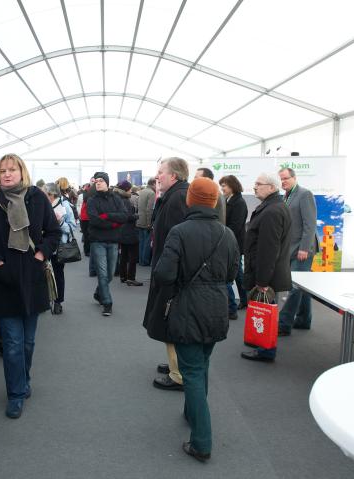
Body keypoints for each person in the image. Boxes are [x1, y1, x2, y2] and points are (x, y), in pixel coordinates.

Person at [151, 177, 239, 463]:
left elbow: (164, 274)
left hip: (187, 308)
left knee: (191, 372)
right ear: (214, 201)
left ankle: (202, 441)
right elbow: (231, 274)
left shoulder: (179, 232)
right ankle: (192, 413)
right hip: (216, 308)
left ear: (191, 199)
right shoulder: (227, 234)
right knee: (201, 366)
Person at [0, 154, 60, 419]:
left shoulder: (37, 198)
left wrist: (40, 256)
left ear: (22, 172)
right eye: (3, 170)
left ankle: (23, 379)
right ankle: (16, 393)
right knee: (12, 342)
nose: (7, 174)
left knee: (28, 342)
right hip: (4, 280)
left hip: (32, 277)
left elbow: (53, 232)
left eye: (12, 169)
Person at [144, 157, 190, 392]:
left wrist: (167, 274)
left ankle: (179, 373)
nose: (157, 175)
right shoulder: (174, 196)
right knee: (166, 320)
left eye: (160, 171)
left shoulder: (177, 199)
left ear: (173, 176)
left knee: (169, 319)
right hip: (166, 270)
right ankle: (176, 365)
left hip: (170, 274)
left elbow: (177, 243)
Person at [240, 173, 292, 362]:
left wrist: (262, 281)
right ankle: (263, 347)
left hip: (267, 275)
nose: (254, 187)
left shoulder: (272, 211)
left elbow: (268, 250)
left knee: (265, 314)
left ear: (272, 187)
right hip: (269, 273)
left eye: (258, 184)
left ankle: (265, 350)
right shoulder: (274, 208)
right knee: (265, 313)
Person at [277, 167, 317, 336]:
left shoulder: (304, 194)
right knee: (302, 286)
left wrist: (304, 248)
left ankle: (284, 323)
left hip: (302, 249)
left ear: (294, 178)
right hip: (291, 248)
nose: (283, 182)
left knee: (294, 287)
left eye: (286, 178)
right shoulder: (286, 196)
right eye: (281, 179)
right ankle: (303, 320)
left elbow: (310, 224)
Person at [87, 172, 130, 316]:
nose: (98, 183)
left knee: (110, 274)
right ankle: (107, 303)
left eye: (101, 181)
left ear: (106, 182)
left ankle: (99, 293)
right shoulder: (92, 200)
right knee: (103, 273)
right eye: (96, 181)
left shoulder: (116, 199)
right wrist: (113, 224)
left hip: (113, 241)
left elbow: (124, 216)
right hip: (97, 241)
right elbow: (93, 220)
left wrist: (107, 216)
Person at [45, 182, 77, 315]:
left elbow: (72, 226)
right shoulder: (42, 205)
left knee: (58, 275)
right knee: (43, 274)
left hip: (59, 247)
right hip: (44, 245)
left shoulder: (65, 205)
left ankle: (58, 302)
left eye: (44, 193)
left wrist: (60, 222)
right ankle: (45, 300)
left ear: (51, 195)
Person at [219, 175, 248, 318]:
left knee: (236, 274)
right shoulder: (227, 200)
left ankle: (238, 303)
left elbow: (235, 226)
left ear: (232, 186)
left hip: (234, 243)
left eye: (224, 185)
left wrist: (223, 237)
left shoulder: (239, 203)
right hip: (231, 242)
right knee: (237, 273)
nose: (222, 188)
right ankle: (243, 300)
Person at [113, 180, 142, 286]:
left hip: (121, 231)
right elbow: (128, 216)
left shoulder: (116, 198)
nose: (131, 190)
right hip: (129, 231)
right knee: (133, 256)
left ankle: (123, 276)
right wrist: (136, 216)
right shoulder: (125, 200)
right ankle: (131, 278)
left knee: (123, 255)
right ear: (126, 189)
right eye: (129, 189)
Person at [136, 178, 156, 266]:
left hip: (139, 220)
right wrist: (149, 223)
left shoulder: (142, 191)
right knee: (146, 243)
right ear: (153, 184)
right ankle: (145, 261)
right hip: (146, 221)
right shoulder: (151, 193)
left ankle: (141, 260)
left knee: (141, 242)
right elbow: (149, 210)